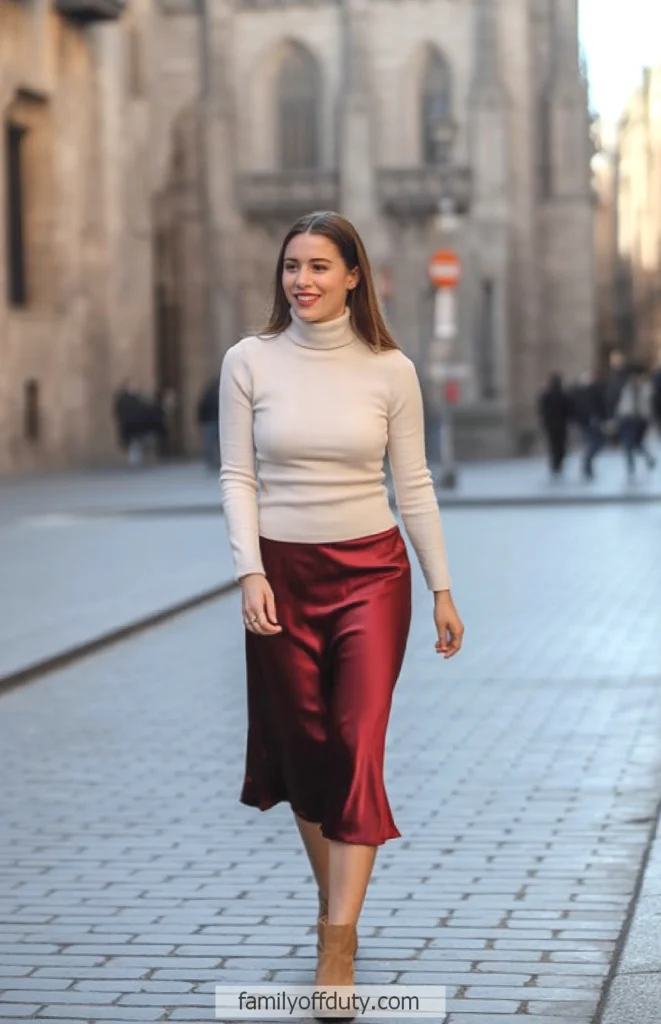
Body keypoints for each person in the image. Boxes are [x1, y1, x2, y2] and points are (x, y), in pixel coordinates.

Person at [218, 211, 463, 1019]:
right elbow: (237, 477)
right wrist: (250, 572)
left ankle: (338, 945)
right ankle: (337, 904)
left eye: (320, 266)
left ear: (354, 276)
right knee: (306, 756)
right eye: (292, 266)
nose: (303, 280)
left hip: (371, 577)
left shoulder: (390, 370)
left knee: (356, 746)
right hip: (282, 577)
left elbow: (413, 482)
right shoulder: (248, 361)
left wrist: (440, 587)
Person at [616, 364, 656, 477]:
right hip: (627, 419)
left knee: (638, 444)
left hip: (640, 420)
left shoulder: (646, 388)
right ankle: (631, 467)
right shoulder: (625, 388)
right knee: (628, 444)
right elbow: (619, 402)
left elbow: (650, 404)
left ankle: (649, 459)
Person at [568, 372, 606, 480]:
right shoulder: (578, 392)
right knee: (595, 442)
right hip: (587, 421)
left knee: (596, 443)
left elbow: (600, 404)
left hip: (591, 420)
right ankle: (587, 465)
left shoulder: (589, 391)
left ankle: (587, 464)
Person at [537, 373, 571, 477]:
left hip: (552, 424)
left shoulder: (547, 395)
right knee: (560, 446)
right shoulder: (562, 395)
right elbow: (568, 410)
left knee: (554, 445)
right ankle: (557, 464)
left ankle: (555, 464)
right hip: (560, 424)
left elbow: (542, 410)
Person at [196, 374, 221, 470]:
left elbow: (200, 408)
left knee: (210, 443)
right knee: (215, 443)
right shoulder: (216, 396)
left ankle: (212, 461)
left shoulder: (207, 395)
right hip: (213, 421)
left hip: (209, 422)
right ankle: (215, 461)